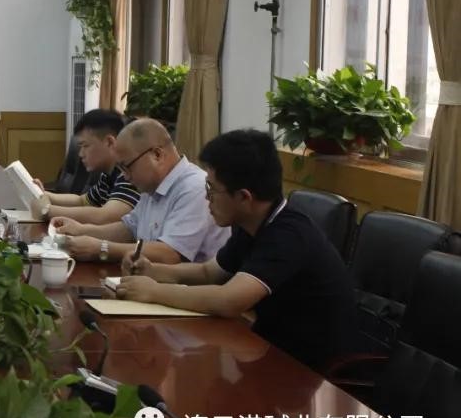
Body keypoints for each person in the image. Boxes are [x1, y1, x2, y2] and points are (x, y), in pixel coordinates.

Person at [115, 129, 357, 371]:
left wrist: (154, 291)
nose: (207, 198)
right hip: (270, 347)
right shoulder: (250, 223)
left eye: (211, 189)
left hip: (311, 366)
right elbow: (209, 272)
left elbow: (229, 301)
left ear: (243, 197)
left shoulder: (288, 235)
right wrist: (154, 271)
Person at [53, 118, 228, 264]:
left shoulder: (194, 188)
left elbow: (169, 253)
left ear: (157, 155)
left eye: (126, 166)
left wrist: (102, 248)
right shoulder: (151, 187)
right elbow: (129, 229)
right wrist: (82, 230)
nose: (125, 176)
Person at [30, 109, 139, 225]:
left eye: (85, 146)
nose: (80, 154)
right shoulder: (107, 175)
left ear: (109, 142)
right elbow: (81, 201)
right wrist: (42, 195)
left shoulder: (129, 173)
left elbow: (106, 216)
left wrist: (47, 210)